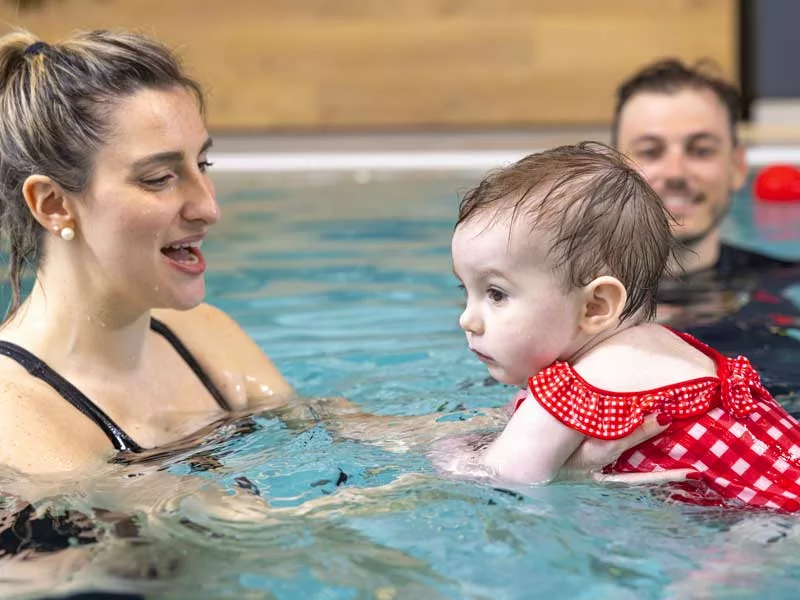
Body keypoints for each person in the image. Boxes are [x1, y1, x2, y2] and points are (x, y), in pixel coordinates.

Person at [0, 28, 675, 483]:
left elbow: (345, 432)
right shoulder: (15, 412)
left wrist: (538, 433)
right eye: (158, 177)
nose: (208, 206)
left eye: (202, 164)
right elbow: (236, 536)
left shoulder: (201, 337)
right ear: (55, 205)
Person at [452, 142, 800, 510]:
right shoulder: (664, 344)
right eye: (466, 290)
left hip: (767, 528)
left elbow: (495, 478)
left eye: (496, 294)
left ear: (597, 305)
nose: (467, 319)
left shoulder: (573, 391)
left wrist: (448, 454)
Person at [612, 58, 797, 279]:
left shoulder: (783, 281)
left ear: (737, 167)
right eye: (650, 152)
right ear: (612, 170)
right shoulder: (574, 288)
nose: (675, 173)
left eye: (701, 151)